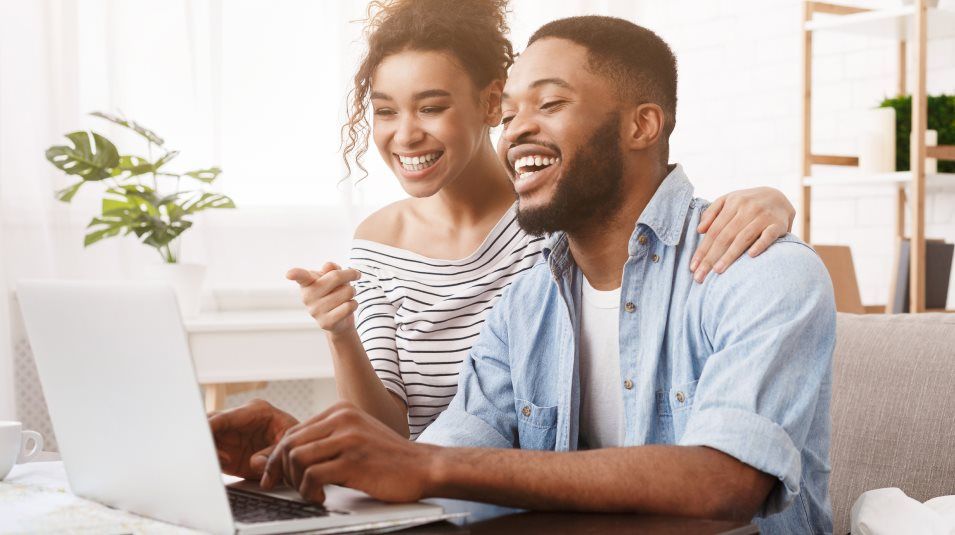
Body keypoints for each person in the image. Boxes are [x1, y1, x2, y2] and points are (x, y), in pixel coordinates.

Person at [244, 15, 836, 534]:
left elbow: (722, 484)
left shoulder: (763, 272)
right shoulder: (528, 300)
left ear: (641, 126)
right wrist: (304, 455)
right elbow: (444, 456)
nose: (515, 130)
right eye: (508, 114)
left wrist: (427, 466)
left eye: (549, 104)